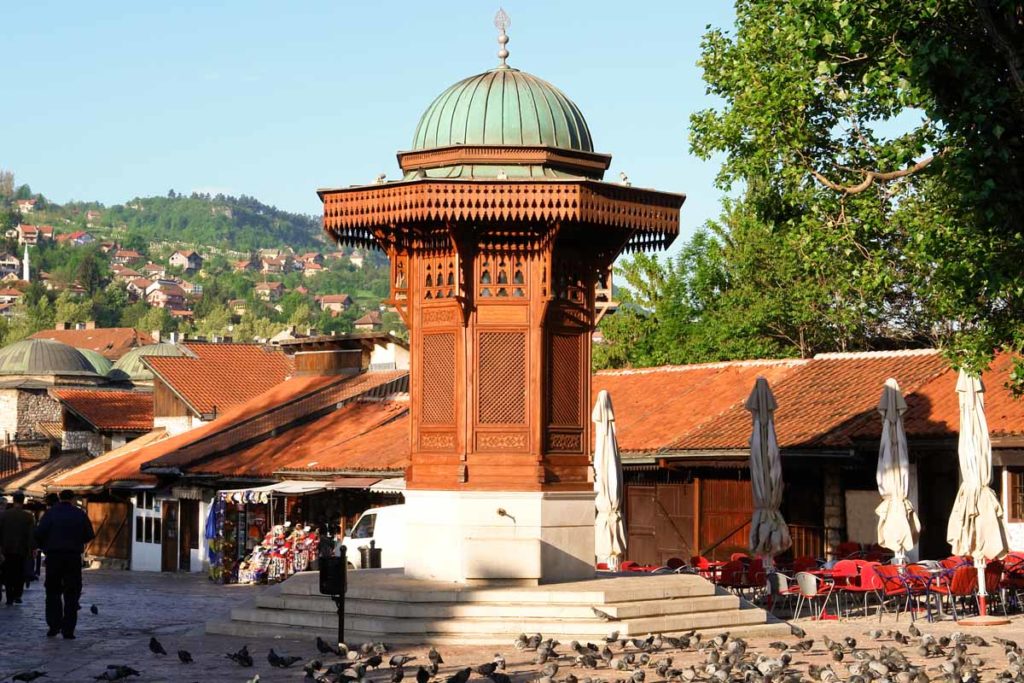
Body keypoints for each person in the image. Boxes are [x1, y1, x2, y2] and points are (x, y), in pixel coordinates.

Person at [34, 490, 94, 639]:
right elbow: (89, 535)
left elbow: (39, 533)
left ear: (60, 498)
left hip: (54, 556)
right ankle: (68, 630)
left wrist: (46, 547)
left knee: (53, 591)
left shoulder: (50, 514)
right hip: (72, 557)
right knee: (71, 593)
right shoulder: (79, 514)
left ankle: (53, 626)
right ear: (73, 499)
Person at [0, 491, 35, 606]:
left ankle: (9, 597)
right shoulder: (28, 516)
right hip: (22, 549)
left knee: (8, 573)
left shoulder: (4, 515)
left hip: (6, 549)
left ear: (13, 500)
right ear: (23, 501)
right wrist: (32, 549)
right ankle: (18, 595)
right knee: (20, 573)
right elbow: (31, 534)